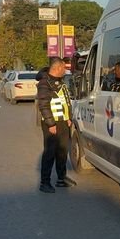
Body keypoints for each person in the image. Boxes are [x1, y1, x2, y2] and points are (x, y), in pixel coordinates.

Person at [36, 57, 76, 193]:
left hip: (63, 122)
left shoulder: (59, 81)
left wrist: (68, 118)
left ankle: (61, 178)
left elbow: (65, 101)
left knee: (62, 151)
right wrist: (51, 123)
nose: (65, 70)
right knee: (50, 153)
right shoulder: (44, 83)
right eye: (64, 68)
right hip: (51, 124)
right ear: (58, 68)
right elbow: (43, 104)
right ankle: (44, 182)